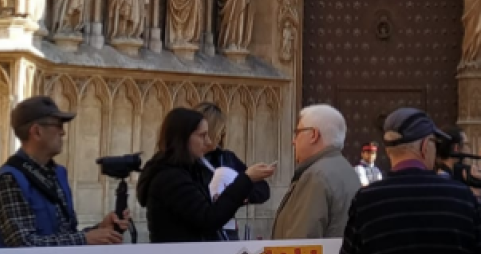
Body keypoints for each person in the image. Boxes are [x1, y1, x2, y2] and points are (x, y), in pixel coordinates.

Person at [340, 108, 481, 254]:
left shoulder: (366, 200)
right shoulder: (461, 197)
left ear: (388, 151)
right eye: (435, 143)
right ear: (425, 146)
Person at [0, 96, 128, 247]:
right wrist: (85, 239)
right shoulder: (10, 178)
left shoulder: (58, 173)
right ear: (37, 132)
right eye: (58, 125)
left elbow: (65, 236)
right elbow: (23, 244)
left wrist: (101, 229)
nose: (63, 133)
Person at [136, 108, 276, 242]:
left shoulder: (187, 170)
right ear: (183, 138)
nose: (208, 142)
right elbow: (209, 218)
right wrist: (245, 179)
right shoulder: (169, 177)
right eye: (202, 135)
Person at [272, 105, 360, 240]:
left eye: (297, 133)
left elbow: (301, 244)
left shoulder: (315, 176)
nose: (293, 141)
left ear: (314, 135)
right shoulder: (347, 169)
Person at [195, 102, 270, 240]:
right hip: (199, 236)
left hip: (227, 235)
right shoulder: (186, 163)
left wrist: (239, 195)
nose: (222, 136)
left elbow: (262, 189)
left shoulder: (226, 158)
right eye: (219, 130)